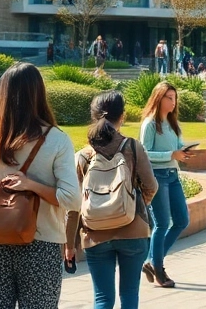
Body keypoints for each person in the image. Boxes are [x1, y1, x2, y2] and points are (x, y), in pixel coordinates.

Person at [0, 63, 80, 309]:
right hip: (42, 244)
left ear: (4, 95)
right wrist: (32, 186)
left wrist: (0, 213)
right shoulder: (57, 140)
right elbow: (72, 199)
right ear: (39, 93)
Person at [66, 91, 157, 309]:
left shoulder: (82, 156)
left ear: (93, 117)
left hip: (95, 234)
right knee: (129, 295)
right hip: (133, 231)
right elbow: (151, 186)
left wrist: (70, 244)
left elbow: (74, 205)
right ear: (122, 116)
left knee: (103, 298)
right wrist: (131, 204)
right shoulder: (133, 147)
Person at [139, 81, 192, 288]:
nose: (173, 101)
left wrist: (184, 151)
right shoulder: (150, 124)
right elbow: (144, 153)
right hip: (157, 177)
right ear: (158, 98)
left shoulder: (172, 122)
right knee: (161, 223)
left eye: (174, 97)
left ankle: (153, 261)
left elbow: (178, 146)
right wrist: (171, 154)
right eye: (169, 97)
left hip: (173, 174)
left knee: (181, 221)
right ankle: (158, 268)